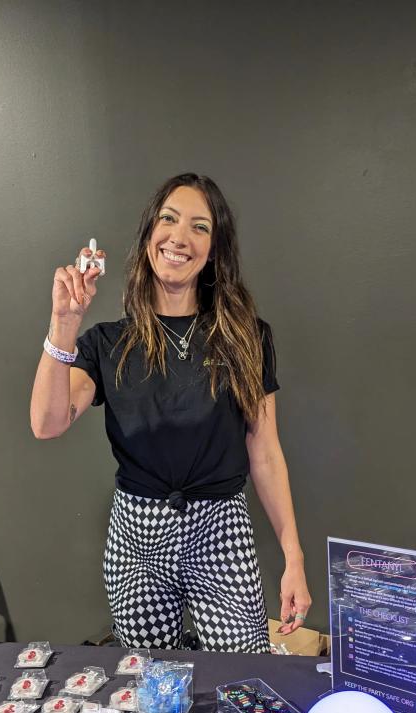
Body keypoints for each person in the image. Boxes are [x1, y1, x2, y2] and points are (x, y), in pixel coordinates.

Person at [30, 173, 311, 653]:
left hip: (221, 531)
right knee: (152, 686)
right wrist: (64, 325)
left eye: (200, 227)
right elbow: (47, 423)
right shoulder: (106, 342)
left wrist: (293, 557)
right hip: (137, 539)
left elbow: (264, 454)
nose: (180, 237)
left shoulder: (246, 336)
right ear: (148, 237)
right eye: (169, 219)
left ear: (214, 249)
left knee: (242, 674)